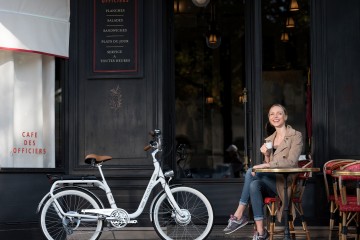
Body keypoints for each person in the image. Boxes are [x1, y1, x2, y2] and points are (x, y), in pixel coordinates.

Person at [223, 104, 303, 240]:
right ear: (269, 118)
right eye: (272, 114)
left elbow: (290, 162)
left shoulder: (296, 136)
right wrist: (266, 155)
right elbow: (269, 166)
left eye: (279, 113)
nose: (275, 116)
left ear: (285, 116)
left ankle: (239, 214)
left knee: (250, 172)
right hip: (271, 183)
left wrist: (265, 165)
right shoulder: (269, 140)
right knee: (254, 185)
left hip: (286, 184)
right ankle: (261, 233)